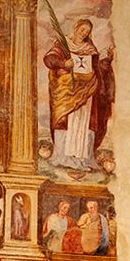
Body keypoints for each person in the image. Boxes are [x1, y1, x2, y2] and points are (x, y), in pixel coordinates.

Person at [43, 17, 114, 170]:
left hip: (87, 93)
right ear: (76, 28)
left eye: (87, 32)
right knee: (65, 121)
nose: (84, 33)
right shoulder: (63, 45)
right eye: (82, 30)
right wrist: (63, 64)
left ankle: (83, 158)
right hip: (66, 92)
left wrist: (107, 59)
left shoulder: (90, 49)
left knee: (84, 122)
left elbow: (98, 69)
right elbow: (49, 59)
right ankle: (63, 157)